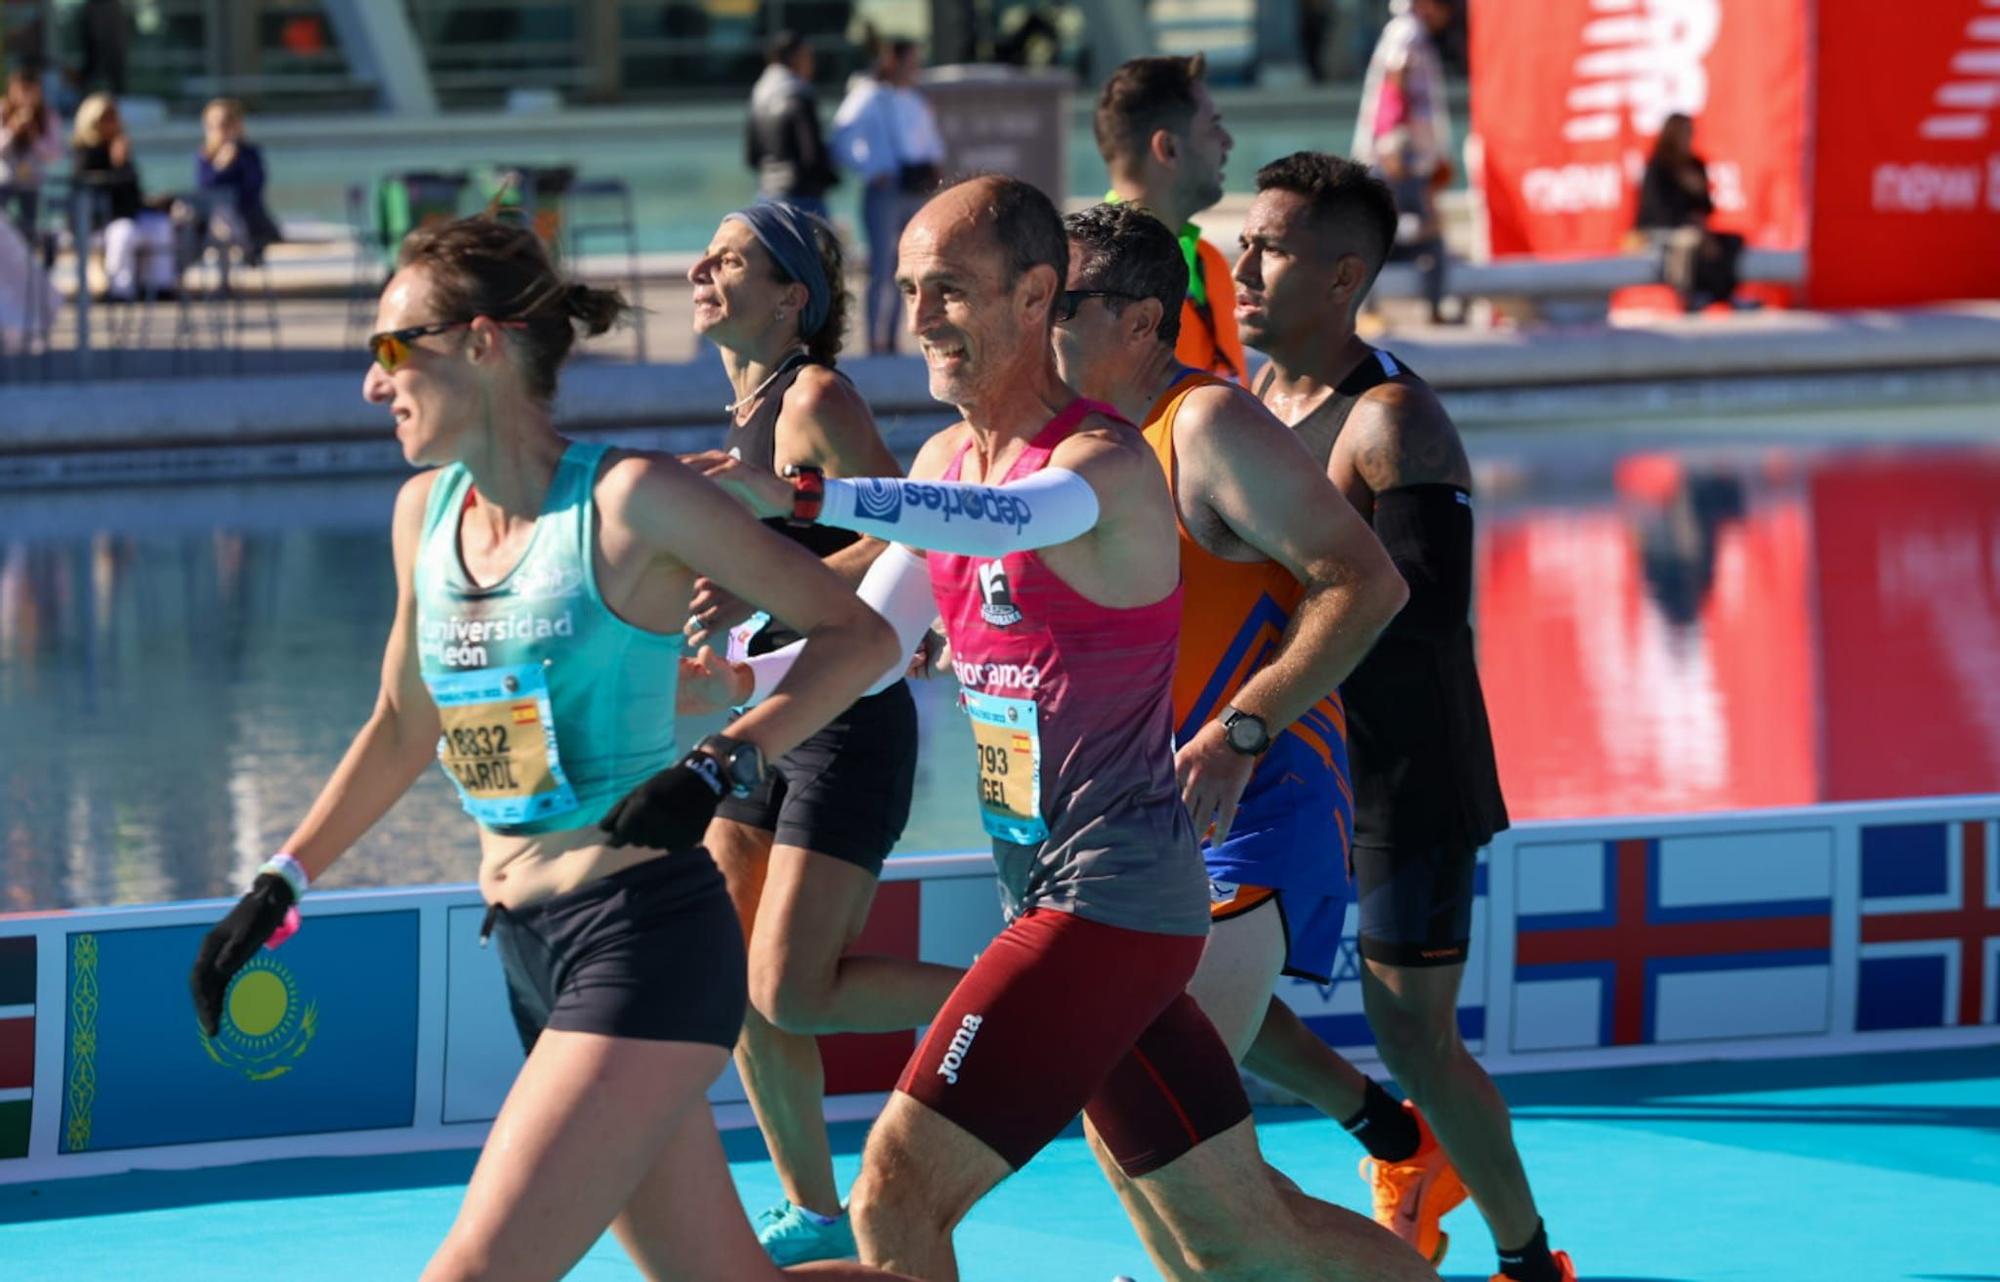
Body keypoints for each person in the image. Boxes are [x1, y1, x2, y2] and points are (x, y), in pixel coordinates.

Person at [690, 174, 1435, 1282]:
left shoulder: (1103, 462)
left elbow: (1013, 522)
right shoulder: (945, 464)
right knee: (1237, 1232)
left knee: (893, 1196)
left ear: (1036, 295)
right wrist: (706, 685)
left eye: (948, 290)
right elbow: (867, 644)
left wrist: (805, 501)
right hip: (1051, 891)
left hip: (1112, 902)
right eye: (907, 291)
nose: (919, 318)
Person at [184, 215, 913, 1282]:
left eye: (392, 349)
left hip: (643, 943)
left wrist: (720, 759)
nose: (370, 384)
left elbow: (862, 635)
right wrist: (279, 878)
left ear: (482, 344)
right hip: (528, 944)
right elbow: (401, 721)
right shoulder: (419, 516)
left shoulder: (632, 502)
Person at [1051, 197, 1415, 1270]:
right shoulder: (1074, 452)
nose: (1034, 322)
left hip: (1254, 805)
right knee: (1140, 1131)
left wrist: (1243, 726)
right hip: (1138, 828)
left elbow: (1367, 581)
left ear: (1139, 319)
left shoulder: (1202, 426)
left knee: (1167, 1132)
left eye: (1057, 300)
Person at [1233, 151, 1572, 1282]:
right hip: (1269, 760)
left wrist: (1257, 696)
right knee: (1189, 996)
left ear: (1339, 279)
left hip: (1398, 772)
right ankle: (1387, 1135)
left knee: (1415, 1035)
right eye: (1243, 238)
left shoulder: (1394, 424)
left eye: (1268, 247)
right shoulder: (1233, 409)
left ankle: (1527, 1259)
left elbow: (1414, 620)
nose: (1238, 263)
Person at [681, 201, 964, 1266]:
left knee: (789, 985)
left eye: (732, 256)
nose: (703, 267)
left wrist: (773, 592)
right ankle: (811, 1205)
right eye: (706, 253)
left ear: (792, 295)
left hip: (847, 722)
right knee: (729, 967)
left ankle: (1033, 1006)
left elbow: (919, 541)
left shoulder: (814, 397)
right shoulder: (747, 411)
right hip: (769, 716)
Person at [1093, 54, 1245, 381]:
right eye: (1214, 127)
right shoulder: (1087, 282)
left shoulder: (1211, 263)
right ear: (1169, 148)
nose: (1227, 143)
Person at [832, 37, 945, 355]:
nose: (916, 68)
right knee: (881, 265)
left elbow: (930, 141)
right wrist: (870, 169)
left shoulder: (915, 99)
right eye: (911, 61)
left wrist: (936, 174)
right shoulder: (869, 96)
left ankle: (894, 336)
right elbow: (841, 136)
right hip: (886, 186)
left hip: (914, 186)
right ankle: (874, 338)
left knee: (907, 266)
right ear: (894, 61)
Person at [1353, 0, 1455, 322]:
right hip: (1400, 154)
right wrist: (1392, 144)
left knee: (1417, 232)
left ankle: (1428, 307)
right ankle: (1372, 309)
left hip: (1407, 153)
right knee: (1388, 230)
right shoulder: (1407, 32)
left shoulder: (1412, 34)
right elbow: (1395, 87)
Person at [70, 92, 177, 300]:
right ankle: (120, 289)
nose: (111, 123)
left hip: (130, 213)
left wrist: (152, 202)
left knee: (160, 225)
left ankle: (158, 285)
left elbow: (132, 191)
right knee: (124, 232)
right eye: (106, 118)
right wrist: (117, 166)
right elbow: (92, 188)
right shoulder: (85, 152)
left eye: (114, 117)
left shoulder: (121, 150)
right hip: (101, 221)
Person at [1635, 112, 1744, 311]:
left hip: (1696, 228)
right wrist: (1688, 221)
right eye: (1686, 133)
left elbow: (1708, 209)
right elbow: (1656, 209)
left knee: (1731, 242)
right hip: (1663, 228)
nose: (1689, 138)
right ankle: (1688, 294)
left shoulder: (1695, 165)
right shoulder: (1659, 165)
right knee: (1691, 240)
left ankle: (1721, 294)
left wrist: (1698, 190)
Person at [748, 31, 840, 220]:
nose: (812, 62)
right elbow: (811, 155)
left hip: (767, 196)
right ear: (795, 57)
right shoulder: (799, 95)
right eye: (808, 56)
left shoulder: (759, 95)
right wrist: (830, 177)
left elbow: (752, 156)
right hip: (803, 198)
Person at [195, 97, 281, 266]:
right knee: (218, 219)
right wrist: (219, 167)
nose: (219, 130)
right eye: (212, 125)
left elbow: (253, 188)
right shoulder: (205, 156)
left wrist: (236, 158)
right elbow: (204, 190)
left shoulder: (249, 154)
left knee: (225, 219)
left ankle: (227, 280)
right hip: (213, 221)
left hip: (246, 217)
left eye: (225, 123)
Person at [1, 63, 63, 237]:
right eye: (20, 91)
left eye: (30, 91)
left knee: (29, 229)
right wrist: (12, 128)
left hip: (34, 183)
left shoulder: (47, 116)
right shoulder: (2, 111)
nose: (24, 97)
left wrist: (34, 135)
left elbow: (54, 154)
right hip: (4, 181)